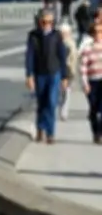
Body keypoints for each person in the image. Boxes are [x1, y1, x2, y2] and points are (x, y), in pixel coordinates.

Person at [26, 8, 69, 144]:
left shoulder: (57, 35)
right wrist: (29, 75)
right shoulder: (33, 35)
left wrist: (64, 76)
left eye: (50, 22)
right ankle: (40, 128)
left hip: (54, 73)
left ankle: (50, 133)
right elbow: (29, 56)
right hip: (40, 74)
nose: (47, 25)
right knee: (41, 103)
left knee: (51, 102)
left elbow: (62, 56)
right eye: (44, 22)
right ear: (39, 22)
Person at [79, 21, 102, 144]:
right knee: (94, 109)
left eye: (100, 32)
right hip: (92, 82)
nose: (98, 34)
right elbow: (83, 68)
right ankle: (96, 133)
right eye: (96, 32)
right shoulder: (87, 49)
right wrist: (85, 83)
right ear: (92, 34)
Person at [59, 21, 78, 120]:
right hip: (60, 71)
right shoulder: (58, 44)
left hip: (69, 71)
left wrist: (73, 71)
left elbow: (74, 59)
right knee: (62, 92)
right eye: (62, 33)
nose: (64, 35)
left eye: (65, 33)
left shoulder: (71, 44)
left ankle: (64, 111)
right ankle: (62, 110)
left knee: (66, 92)